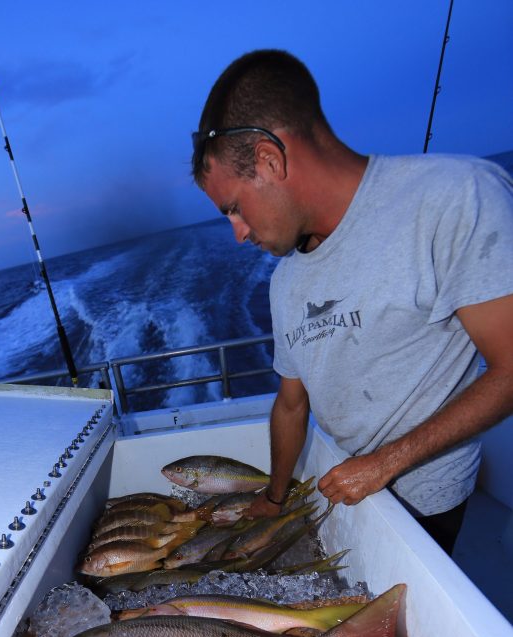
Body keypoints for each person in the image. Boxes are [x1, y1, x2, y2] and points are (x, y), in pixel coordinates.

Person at [192, 49, 513, 554]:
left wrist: (384, 464)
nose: (237, 233)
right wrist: (274, 500)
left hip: (426, 500)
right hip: (347, 487)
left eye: (234, 207)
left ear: (270, 160)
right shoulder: (285, 282)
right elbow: (292, 403)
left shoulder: (455, 196)